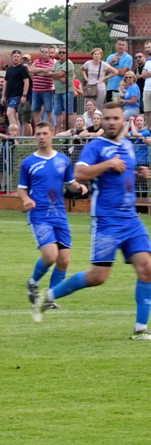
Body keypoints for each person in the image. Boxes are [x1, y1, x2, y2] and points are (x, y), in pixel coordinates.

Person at [34, 102, 151, 337]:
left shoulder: (128, 145)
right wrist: (108, 163)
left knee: (147, 268)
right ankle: (51, 295)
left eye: (115, 118)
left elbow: (124, 172)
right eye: (106, 118)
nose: (110, 122)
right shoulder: (96, 146)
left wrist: (140, 173)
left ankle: (141, 329)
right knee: (98, 277)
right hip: (107, 220)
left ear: (123, 120)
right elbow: (79, 173)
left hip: (130, 219)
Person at [18, 122, 78, 309]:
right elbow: (22, 189)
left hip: (59, 214)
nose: (41, 137)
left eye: (45, 133)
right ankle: (33, 282)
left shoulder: (63, 160)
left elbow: (70, 183)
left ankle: (50, 300)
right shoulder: (28, 163)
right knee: (51, 255)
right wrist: (26, 199)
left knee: (64, 259)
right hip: (39, 214)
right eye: (38, 134)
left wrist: (79, 187)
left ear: (53, 135)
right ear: (35, 137)